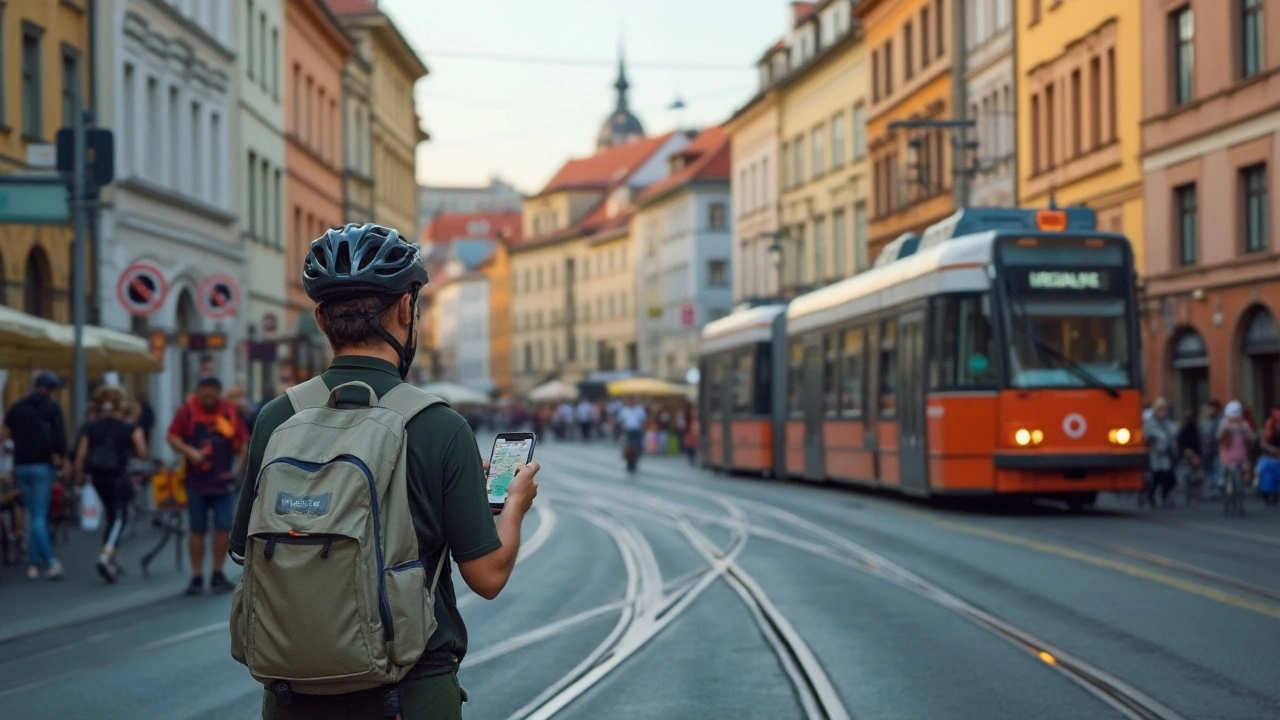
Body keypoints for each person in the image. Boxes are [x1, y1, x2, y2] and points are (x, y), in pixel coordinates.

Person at [230, 223, 540, 719]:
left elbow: (245, 550)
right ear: (405, 309)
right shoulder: (439, 425)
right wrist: (515, 506)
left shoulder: (277, 417)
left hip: (292, 699)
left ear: (319, 318)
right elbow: (487, 576)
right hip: (407, 694)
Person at [167, 375, 249, 595]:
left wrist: (237, 470)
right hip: (196, 482)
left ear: (218, 392)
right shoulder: (188, 410)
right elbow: (173, 436)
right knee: (197, 529)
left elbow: (242, 442)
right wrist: (190, 452)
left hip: (222, 482)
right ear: (199, 391)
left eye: (212, 389)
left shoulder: (228, 411)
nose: (208, 394)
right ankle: (196, 576)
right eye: (205, 389)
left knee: (223, 528)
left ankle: (217, 573)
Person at [74, 386, 147, 583]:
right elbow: (142, 451)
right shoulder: (128, 427)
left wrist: (79, 475)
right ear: (121, 404)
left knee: (111, 514)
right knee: (119, 517)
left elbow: (81, 454)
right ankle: (106, 556)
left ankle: (111, 560)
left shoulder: (91, 426)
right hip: (118, 475)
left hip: (97, 477)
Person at [1, 372, 68, 580]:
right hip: (42, 465)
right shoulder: (52, 407)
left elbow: (5, 432)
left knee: (33, 513)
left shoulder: (17, 406)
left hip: (21, 465)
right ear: (48, 389)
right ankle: (50, 561)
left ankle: (32, 564)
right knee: (40, 515)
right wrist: (61, 458)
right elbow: (60, 439)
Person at [1142, 398, 1178, 506]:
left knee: (1169, 478)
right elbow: (1147, 438)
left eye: (1164, 410)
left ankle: (1164, 495)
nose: (1163, 413)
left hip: (1166, 454)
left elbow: (1173, 435)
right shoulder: (1151, 423)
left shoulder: (1168, 423)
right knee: (1156, 477)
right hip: (1156, 455)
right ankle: (1151, 496)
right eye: (1160, 410)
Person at [1217, 400, 1256, 495]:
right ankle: (1224, 482)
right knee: (1225, 471)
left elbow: (1252, 438)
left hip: (1241, 454)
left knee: (1245, 468)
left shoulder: (1243, 425)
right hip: (1227, 455)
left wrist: (1245, 433)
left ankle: (1245, 483)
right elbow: (1218, 437)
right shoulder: (1225, 424)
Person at [1199, 399, 1223, 495]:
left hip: (1216, 449)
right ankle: (1211, 487)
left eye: (1211, 408)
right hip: (1206, 450)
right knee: (1208, 469)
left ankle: (1216, 488)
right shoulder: (1206, 421)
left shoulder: (1220, 420)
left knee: (1216, 468)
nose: (1209, 410)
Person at [617, 396, 648, 471]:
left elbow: (644, 420)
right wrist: (622, 428)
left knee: (636, 447)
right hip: (628, 431)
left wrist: (643, 430)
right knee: (628, 447)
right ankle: (628, 461)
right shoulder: (624, 410)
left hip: (637, 430)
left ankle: (635, 460)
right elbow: (620, 420)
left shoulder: (639, 410)